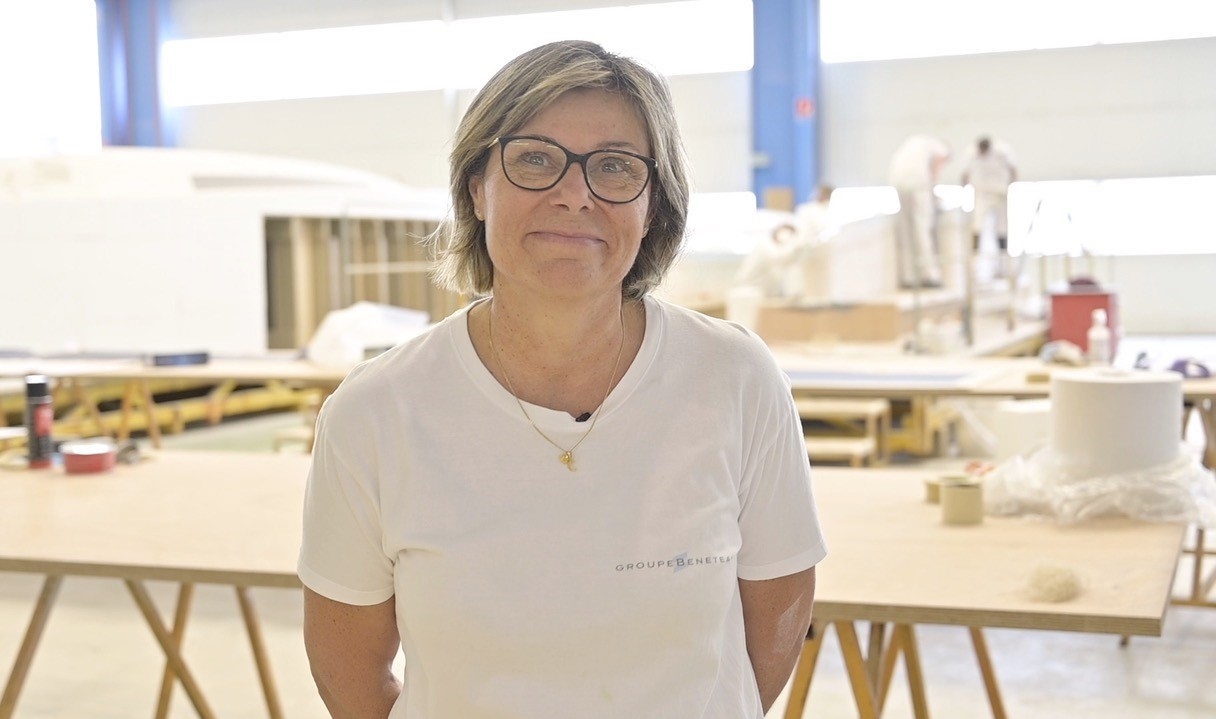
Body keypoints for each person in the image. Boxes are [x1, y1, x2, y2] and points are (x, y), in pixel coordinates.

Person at [299, 40, 827, 719]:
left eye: (615, 166)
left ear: (653, 206)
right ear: (477, 188)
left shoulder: (733, 379)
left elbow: (777, 610)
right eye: (535, 160)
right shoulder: (376, 413)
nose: (574, 196)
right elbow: (348, 668)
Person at [887, 135, 951, 289]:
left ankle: (908, 276)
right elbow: (935, 170)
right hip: (917, 182)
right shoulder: (940, 148)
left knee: (906, 231)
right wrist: (933, 192)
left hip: (897, 181)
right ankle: (930, 275)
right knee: (923, 228)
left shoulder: (917, 143)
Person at [961, 136, 1018, 278]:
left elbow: (1014, 170)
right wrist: (964, 189)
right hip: (981, 194)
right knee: (977, 227)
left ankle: (1004, 266)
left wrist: (1010, 186)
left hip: (999, 193)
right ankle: (974, 266)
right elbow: (965, 174)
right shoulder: (970, 153)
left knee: (1002, 229)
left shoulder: (1003, 151)